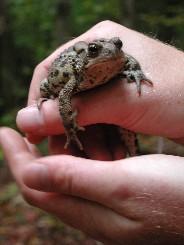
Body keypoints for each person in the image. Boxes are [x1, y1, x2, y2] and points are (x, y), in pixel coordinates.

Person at [1, 20, 184, 244]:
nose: (111, 51)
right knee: (45, 87)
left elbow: (129, 60)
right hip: (65, 77)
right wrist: (69, 126)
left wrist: (136, 72)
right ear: (87, 56)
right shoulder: (77, 75)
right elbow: (64, 98)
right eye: (96, 51)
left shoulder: (119, 59)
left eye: (117, 45)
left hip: (101, 86)